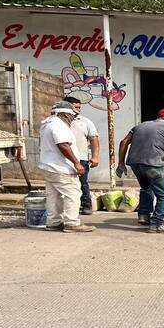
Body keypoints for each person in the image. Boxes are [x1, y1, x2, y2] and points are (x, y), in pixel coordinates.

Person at [117, 108, 164, 233]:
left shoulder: (140, 126)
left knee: (146, 188)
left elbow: (124, 142)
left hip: (135, 163)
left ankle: (144, 216)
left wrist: (121, 163)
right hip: (154, 164)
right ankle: (156, 224)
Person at [38, 101, 95, 232]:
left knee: (53, 196)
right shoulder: (58, 126)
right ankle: (72, 223)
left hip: (49, 166)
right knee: (73, 193)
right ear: (64, 114)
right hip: (60, 167)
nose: (72, 119)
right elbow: (63, 145)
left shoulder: (48, 124)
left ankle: (53, 222)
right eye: (71, 116)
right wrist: (76, 162)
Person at [63, 96, 100, 215]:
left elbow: (94, 139)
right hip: (62, 159)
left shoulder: (85, 122)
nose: (78, 110)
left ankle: (86, 205)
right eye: (75, 107)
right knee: (65, 183)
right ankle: (67, 207)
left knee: (82, 183)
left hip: (81, 158)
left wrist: (95, 157)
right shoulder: (58, 121)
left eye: (80, 107)